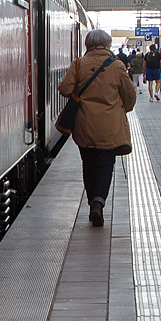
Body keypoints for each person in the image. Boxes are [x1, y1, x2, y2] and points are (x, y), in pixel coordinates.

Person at [58, 29, 137, 227]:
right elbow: (129, 97)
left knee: (89, 164)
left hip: (84, 124)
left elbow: (64, 89)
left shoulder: (79, 64)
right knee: (105, 165)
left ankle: (92, 200)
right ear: (108, 45)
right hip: (110, 125)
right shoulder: (117, 66)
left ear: (88, 45)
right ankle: (98, 202)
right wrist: (120, 108)